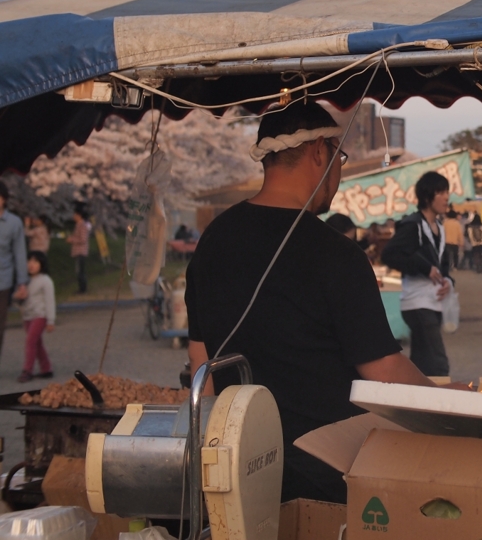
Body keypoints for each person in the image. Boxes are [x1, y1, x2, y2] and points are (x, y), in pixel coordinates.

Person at [185, 102, 437, 505]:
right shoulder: (336, 254)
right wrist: (444, 406)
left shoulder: (212, 240)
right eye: (339, 157)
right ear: (320, 151)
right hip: (325, 476)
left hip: (240, 473)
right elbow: (384, 370)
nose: (337, 172)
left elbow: (203, 367)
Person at [381, 171, 455, 377]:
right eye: (440, 192)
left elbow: (444, 265)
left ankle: (413, 400)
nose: (446, 197)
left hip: (433, 303)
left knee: (422, 361)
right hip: (417, 303)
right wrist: (424, 267)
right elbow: (390, 254)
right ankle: (441, 404)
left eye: (447, 191)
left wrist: (448, 280)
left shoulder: (439, 227)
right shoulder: (412, 225)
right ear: (426, 196)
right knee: (438, 362)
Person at [16, 250, 55, 383]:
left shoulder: (45, 281)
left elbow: (50, 301)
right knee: (37, 343)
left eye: (35, 261)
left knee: (30, 341)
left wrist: (50, 320)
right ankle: (46, 368)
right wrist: (18, 297)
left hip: (40, 315)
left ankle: (27, 370)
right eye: (29, 261)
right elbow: (20, 301)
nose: (31, 264)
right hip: (28, 317)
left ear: (42, 264)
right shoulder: (25, 281)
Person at [0, 182, 28, 363]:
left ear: (4, 199)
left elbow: (19, 253)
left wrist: (22, 282)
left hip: (3, 280)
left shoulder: (13, 223)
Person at [69, 203, 91, 294]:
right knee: (79, 271)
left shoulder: (81, 225)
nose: (73, 216)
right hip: (79, 251)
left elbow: (83, 239)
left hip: (80, 251)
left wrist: (72, 239)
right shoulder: (80, 225)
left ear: (79, 215)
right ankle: (82, 288)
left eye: (75, 214)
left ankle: (82, 289)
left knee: (80, 271)